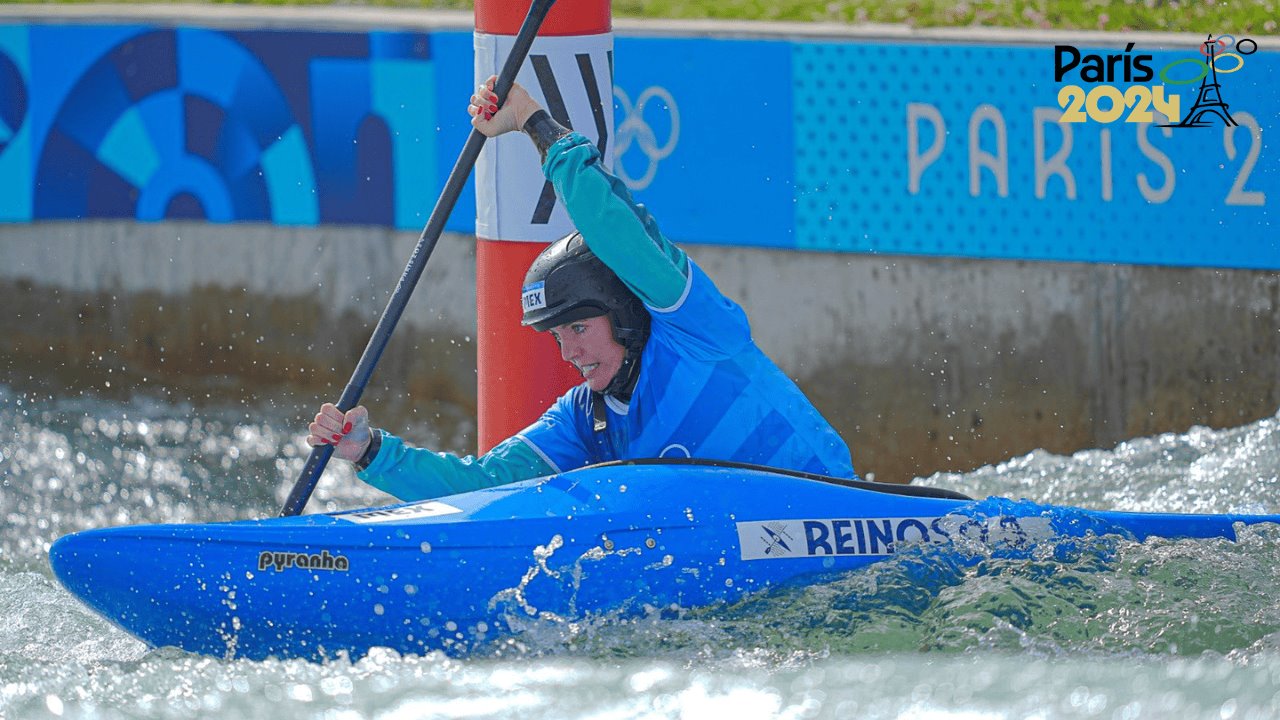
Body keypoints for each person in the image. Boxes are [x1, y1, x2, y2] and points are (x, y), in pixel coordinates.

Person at [307, 76, 855, 501]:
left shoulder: (697, 331)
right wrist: (370, 451)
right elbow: (484, 486)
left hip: (843, 517)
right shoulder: (581, 420)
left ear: (620, 313)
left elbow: (612, 224)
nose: (568, 352)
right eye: (557, 336)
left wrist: (528, 119)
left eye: (577, 327)